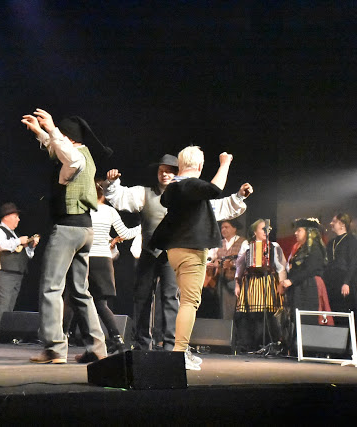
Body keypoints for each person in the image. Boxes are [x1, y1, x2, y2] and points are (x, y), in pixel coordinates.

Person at [104, 155, 252, 351]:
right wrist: (113, 183)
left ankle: (171, 345)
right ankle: (142, 344)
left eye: (170, 171)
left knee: (171, 298)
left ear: (179, 172)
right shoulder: (145, 193)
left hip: (173, 252)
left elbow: (219, 206)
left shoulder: (192, 196)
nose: (165, 174)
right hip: (149, 252)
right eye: (161, 171)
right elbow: (121, 197)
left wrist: (239, 196)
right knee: (142, 297)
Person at [21, 109, 110, 364]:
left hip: (68, 228)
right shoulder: (85, 154)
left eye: (60, 135)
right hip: (85, 229)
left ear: (68, 137)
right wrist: (40, 132)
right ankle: (97, 347)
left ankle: (54, 348)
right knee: (81, 291)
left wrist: (51, 129)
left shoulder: (75, 157)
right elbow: (59, 150)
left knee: (51, 287)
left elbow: (69, 158)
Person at [149, 147, 236, 371]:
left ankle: (182, 350)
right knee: (190, 302)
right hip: (191, 250)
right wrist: (224, 163)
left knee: (184, 301)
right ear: (198, 166)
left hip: (175, 250)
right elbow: (215, 189)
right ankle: (179, 353)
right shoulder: (190, 184)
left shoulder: (174, 188)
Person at [88, 178, 140, 353]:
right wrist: (142, 227)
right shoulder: (110, 212)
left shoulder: (83, 211)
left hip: (85, 258)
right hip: (103, 260)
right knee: (101, 303)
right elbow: (125, 233)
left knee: (74, 300)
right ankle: (116, 338)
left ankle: (64, 337)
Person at [234, 219, 286, 352]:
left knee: (267, 314)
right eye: (262, 229)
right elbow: (239, 267)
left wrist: (281, 284)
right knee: (249, 315)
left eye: (267, 229)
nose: (265, 232)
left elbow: (281, 267)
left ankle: (269, 344)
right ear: (254, 231)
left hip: (268, 282)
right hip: (251, 282)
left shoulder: (274, 246)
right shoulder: (247, 245)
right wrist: (237, 284)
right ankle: (249, 345)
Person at [0, 202, 39, 339]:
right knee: (3, 305)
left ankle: (7, 332)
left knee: (10, 305)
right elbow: (1, 245)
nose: (18, 219)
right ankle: (0, 332)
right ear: (7, 216)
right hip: (3, 272)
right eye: (16, 216)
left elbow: (25, 255)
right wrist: (19, 241)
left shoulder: (14, 234)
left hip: (16, 273)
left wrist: (31, 246)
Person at [282, 218, 327, 338]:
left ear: (309, 232)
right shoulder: (301, 249)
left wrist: (291, 280)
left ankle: (307, 346)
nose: (296, 233)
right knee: (296, 316)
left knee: (307, 316)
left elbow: (310, 269)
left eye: (299, 230)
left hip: (309, 286)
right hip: (300, 286)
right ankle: (297, 346)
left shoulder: (315, 248)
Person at [323, 213, 357, 323]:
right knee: (333, 311)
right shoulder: (331, 242)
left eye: (334, 221)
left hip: (345, 281)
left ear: (342, 224)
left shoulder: (351, 240)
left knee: (345, 312)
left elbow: (353, 262)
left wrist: (346, 282)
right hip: (331, 282)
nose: (331, 223)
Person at [210, 219, 245, 320]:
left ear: (234, 228)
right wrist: (214, 262)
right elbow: (210, 257)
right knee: (223, 309)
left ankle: (235, 333)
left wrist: (232, 264)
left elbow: (244, 261)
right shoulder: (219, 244)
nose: (223, 229)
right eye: (222, 227)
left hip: (236, 281)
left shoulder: (243, 242)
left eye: (226, 227)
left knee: (236, 310)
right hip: (222, 280)